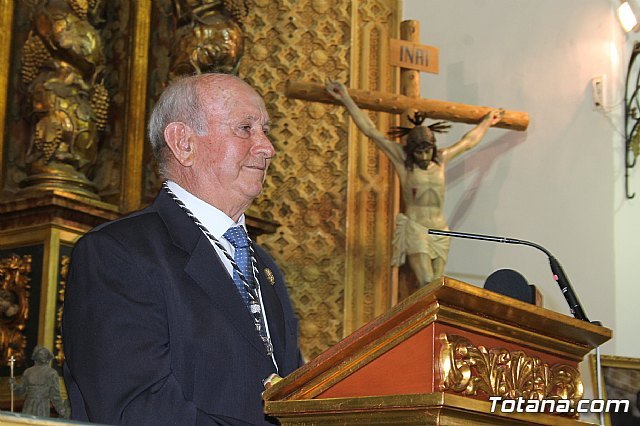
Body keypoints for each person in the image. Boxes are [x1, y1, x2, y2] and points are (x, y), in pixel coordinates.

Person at [62, 73, 303, 425]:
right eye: (245, 128)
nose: (267, 147)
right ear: (183, 143)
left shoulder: (263, 266)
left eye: (265, 130)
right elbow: (138, 410)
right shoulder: (117, 254)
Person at [325, 80, 503, 286]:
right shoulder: (403, 161)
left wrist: (486, 122)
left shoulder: (441, 159)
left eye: (427, 151)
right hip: (417, 227)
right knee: (427, 281)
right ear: (411, 151)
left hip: (441, 229)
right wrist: (346, 99)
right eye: (419, 152)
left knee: (438, 283)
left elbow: (468, 141)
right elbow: (371, 131)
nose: (424, 156)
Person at [12, 346, 70, 418]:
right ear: (36, 356)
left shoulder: (51, 373)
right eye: (41, 354)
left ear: (48, 357)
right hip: (29, 404)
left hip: (42, 404)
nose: (43, 356)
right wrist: (14, 385)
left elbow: (55, 394)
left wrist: (61, 409)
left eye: (45, 354)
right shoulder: (28, 372)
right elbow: (21, 390)